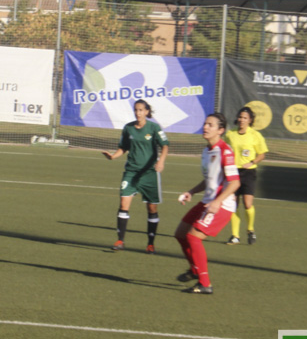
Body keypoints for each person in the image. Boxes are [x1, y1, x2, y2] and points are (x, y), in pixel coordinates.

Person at [174, 112, 240, 294]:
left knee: (193, 237)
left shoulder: (225, 151)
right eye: (205, 123)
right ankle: (195, 270)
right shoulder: (206, 151)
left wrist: (218, 202)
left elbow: (235, 182)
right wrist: (191, 192)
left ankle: (205, 283)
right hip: (207, 201)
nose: (205, 127)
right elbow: (209, 180)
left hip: (222, 205)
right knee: (180, 233)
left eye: (210, 125)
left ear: (221, 130)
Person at [101, 100, 167, 253]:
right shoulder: (128, 128)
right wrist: (112, 157)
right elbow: (123, 148)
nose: (138, 113)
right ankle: (120, 241)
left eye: (141, 110)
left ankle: (150, 243)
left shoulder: (154, 128)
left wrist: (161, 161)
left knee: (151, 208)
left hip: (149, 174)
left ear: (146, 112)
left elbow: (165, 145)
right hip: (131, 172)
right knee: (124, 204)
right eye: (136, 110)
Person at [225, 106, 267, 245]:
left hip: (248, 173)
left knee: (248, 204)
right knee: (233, 205)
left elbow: (262, 154)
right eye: (240, 117)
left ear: (250, 120)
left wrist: (252, 162)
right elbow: (225, 151)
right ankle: (235, 235)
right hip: (233, 172)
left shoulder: (255, 135)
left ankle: (250, 230)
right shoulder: (230, 134)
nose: (242, 120)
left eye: (245, 118)